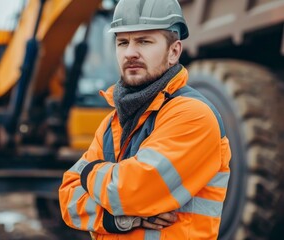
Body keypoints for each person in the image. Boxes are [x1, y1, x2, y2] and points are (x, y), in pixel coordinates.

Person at [58, 0, 231, 239]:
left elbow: (129, 192)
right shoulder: (112, 123)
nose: (130, 53)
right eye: (123, 42)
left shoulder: (192, 115)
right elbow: (68, 199)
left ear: (174, 52)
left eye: (144, 41)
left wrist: (88, 171)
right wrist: (120, 220)